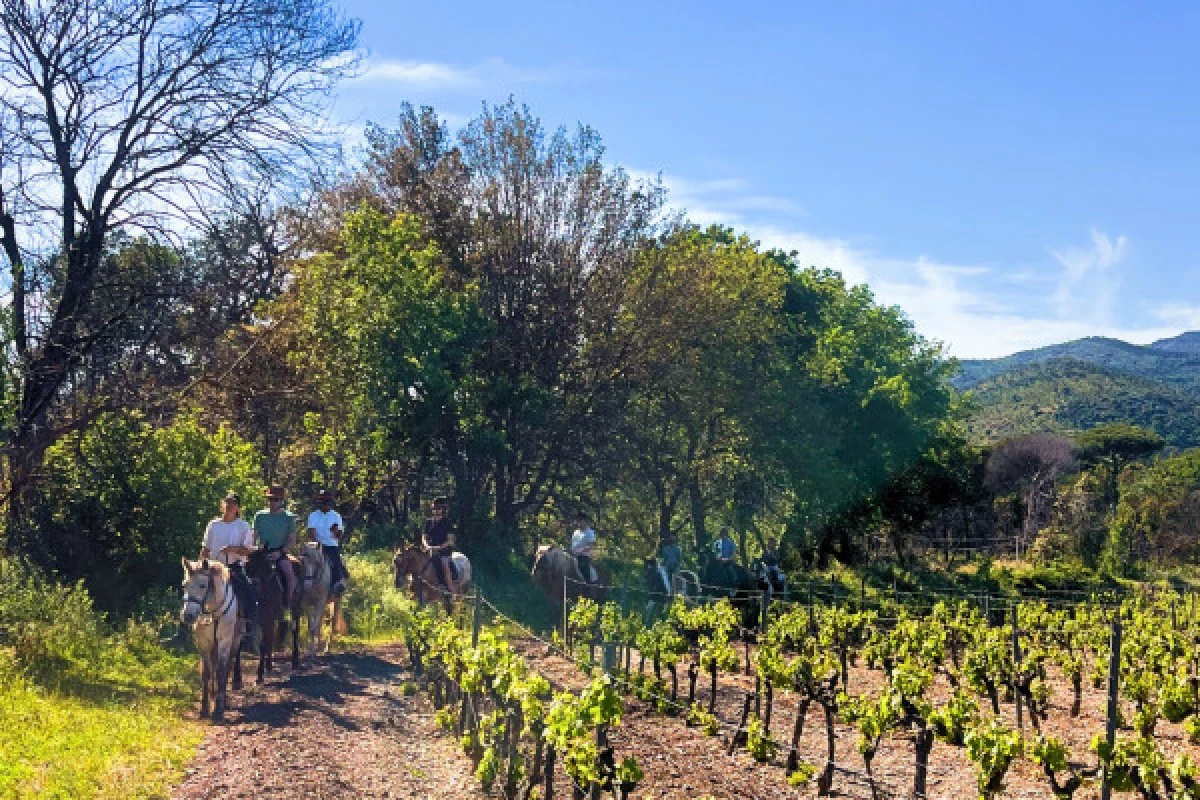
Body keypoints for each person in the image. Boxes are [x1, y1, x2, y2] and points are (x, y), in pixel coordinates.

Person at [200, 491, 257, 623]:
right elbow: (205, 549)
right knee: (193, 588)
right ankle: (183, 629)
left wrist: (233, 549)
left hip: (233, 567)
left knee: (248, 590)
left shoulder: (243, 526)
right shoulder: (213, 524)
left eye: (233, 503)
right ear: (222, 505)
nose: (229, 505)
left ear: (238, 508)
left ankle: (249, 626)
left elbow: (247, 551)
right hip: (213, 566)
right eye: (227, 502)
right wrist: (200, 565)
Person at [253, 485, 297, 611]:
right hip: (261, 552)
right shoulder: (259, 516)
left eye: (276, 500)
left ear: (282, 501)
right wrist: (255, 549)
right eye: (270, 499)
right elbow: (253, 536)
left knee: (289, 575)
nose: (273, 502)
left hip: (279, 552)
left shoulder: (289, 517)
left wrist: (280, 552)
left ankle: (286, 604)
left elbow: (292, 541)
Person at [307, 489, 347, 595]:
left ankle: (337, 584)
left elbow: (338, 536)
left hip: (331, 545)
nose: (325, 505)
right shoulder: (313, 515)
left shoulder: (336, 516)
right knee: (305, 560)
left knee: (336, 562)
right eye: (323, 502)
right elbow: (311, 533)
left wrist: (335, 531)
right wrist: (317, 544)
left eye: (328, 503)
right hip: (316, 545)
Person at [422, 497, 457, 594]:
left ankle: (450, 589)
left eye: (438, 508)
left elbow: (450, 540)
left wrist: (439, 547)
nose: (436, 510)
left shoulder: (448, 523)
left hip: (443, 550)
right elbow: (424, 537)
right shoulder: (428, 522)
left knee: (445, 565)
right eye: (434, 508)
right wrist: (427, 546)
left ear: (443, 509)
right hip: (430, 549)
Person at [569, 519, 598, 585]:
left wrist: (580, 551)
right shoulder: (576, 532)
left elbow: (591, 546)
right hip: (573, 555)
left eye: (580, 521)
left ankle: (588, 585)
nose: (578, 523)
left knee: (583, 567)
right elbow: (573, 544)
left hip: (583, 556)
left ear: (585, 522)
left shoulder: (590, 532)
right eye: (578, 521)